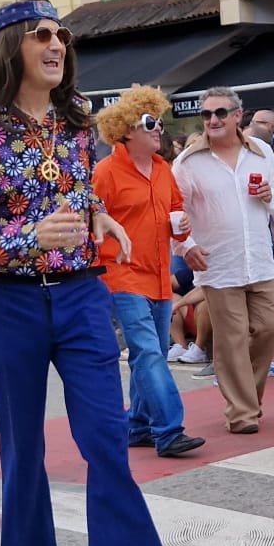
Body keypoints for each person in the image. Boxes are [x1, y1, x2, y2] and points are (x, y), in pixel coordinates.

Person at [0, 0, 163, 546]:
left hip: (80, 295)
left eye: (61, 35)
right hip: (5, 300)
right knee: (24, 443)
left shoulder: (74, 120)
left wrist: (98, 215)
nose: (56, 43)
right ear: (12, 45)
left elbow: (74, 190)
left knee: (106, 435)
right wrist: (24, 236)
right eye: (42, 34)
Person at [92, 87, 204, 460]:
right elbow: (89, 222)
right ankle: (169, 430)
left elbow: (176, 219)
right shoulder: (105, 173)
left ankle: (138, 425)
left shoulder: (163, 169)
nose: (160, 129)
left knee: (149, 353)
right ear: (126, 131)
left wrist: (184, 231)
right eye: (150, 123)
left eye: (160, 122)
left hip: (157, 276)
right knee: (148, 353)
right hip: (121, 276)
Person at [173, 87, 274, 434]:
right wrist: (186, 246)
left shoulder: (262, 150)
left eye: (220, 113)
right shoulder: (188, 162)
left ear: (238, 115)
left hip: (259, 258)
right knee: (231, 338)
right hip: (217, 262)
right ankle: (242, 412)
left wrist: (270, 196)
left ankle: (246, 396)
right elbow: (175, 210)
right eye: (206, 115)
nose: (213, 120)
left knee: (270, 328)